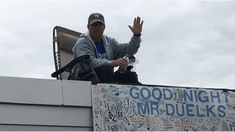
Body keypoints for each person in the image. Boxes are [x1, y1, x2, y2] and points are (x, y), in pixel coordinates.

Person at [72, 13, 143, 83]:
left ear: (104, 27)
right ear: (88, 27)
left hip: (106, 82)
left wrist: (136, 36)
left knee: (129, 75)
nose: (97, 28)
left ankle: (143, 92)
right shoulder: (82, 43)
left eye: (99, 25)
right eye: (94, 25)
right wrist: (114, 63)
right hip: (84, 82)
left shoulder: (109, 42)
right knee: (104, 68)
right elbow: (89, 63)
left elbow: (129, 50)